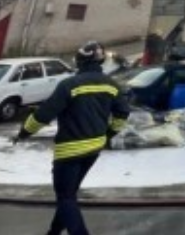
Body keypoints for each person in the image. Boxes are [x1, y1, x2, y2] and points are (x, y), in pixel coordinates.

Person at [15, 40, 129, 235]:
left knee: (65, 197)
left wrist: (24, 132)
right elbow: (123, 113)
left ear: (79, 61)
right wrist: (109, 134)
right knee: (69, 195)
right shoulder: (111, 85)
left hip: (69, 151)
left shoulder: (69, 85)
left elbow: (43, 115)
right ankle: (53, 232)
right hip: (94, 149)